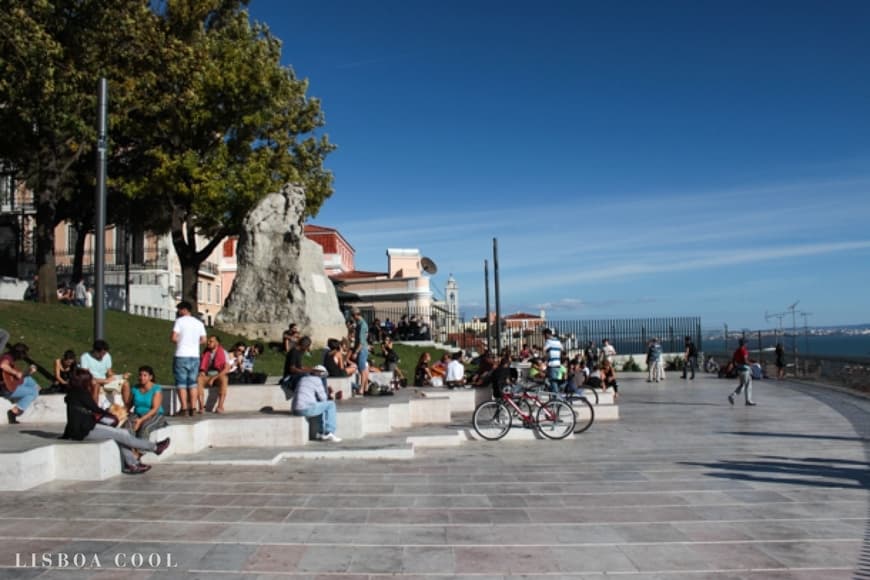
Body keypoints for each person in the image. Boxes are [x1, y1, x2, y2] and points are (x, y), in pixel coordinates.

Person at [62, 369, 170, 474]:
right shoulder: (82, 394)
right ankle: (154, 448)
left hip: (85, 427)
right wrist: (112, 415)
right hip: (84, 431)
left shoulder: (73, 393)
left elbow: (72, 416)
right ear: (84, 381)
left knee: (122, 433)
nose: (92, 381)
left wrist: (66, 434)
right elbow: (95, 408)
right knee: (121, 435)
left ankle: (132, 464)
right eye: (90, 379)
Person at [171, 300, 206, 417]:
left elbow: (174, 337)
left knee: (181, 383)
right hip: (194, 356)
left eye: (179, 310)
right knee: (192, 383)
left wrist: (181, 341)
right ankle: (193, 408)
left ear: (184, 310)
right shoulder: (199, 323)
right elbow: (204, 340)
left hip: (181, 354)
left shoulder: (179, 322)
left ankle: (184, 408)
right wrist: (194, 343)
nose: (179, 312)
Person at [291, 365, 342, 442]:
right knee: (331, 404)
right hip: (305, 409)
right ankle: (329, 432)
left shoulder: (303, 379)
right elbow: (323, 398)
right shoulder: (317, 380)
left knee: (319, 406)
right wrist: (330, 395)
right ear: (322, 374)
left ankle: (321, 432)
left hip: (295, 409)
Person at [1, 342, 41, 424]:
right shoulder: (7, 357)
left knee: (29, 379)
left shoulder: (10, 357)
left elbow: (20, 376)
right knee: (33, 392)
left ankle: (39, 389)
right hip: (6, 389)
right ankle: (13, 412)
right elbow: (2, 365)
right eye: (23, 354)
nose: (24, 356)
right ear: (18, 353)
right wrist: (15, 373)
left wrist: (29, 372)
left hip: (9, 383)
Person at [79, 339, 127, 407]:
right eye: (101, 354)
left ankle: (126, 408)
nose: (102, 356)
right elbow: (86, 377)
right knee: (95, 384)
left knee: (125, 383)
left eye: (104, 354)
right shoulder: (85, 357)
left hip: (105, 381)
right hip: (92, 381)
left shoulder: (107, 356)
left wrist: (120, 376)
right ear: (95, 351)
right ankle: (94, 409)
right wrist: (104, 381)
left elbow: (109, 373)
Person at [125, 365, 168, 439]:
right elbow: (129, 405)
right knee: (128, 427)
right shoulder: (135, 388)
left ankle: (142, 449)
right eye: (140, 375)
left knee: (145, 428)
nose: (142, 377)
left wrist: (141, 420)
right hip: (137, 414)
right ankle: (132, 449)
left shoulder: (156, 389)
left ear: (150, 377)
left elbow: (155, 409)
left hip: (154, 415)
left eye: (145, 375)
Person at [197, 335, 230, 413]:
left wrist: (214, 378)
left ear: (217, 343)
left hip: (218, 375)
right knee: (199, 379)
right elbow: (201, 366)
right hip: (207, 376)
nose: (208, 343)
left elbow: (226, 369)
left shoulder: (224, 352)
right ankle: (201, 407)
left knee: (224, 379)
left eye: (211, 341)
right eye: (208, 341)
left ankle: (220, 406)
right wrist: (202, 372)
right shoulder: (205, 352)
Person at [728, 338, 756, 406]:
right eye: (746, 343)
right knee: (744, 385)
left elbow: (733, 360)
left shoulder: (737, 351)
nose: (747, 344)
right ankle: (733, 396)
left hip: (740, 370)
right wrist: (752, 364)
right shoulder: (744, 350)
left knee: (745, 384)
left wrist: (735, 367)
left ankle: (748, 400)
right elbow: (745, 361)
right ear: (744, 343)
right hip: (745, 369)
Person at [351, 308, 370, 396]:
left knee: (362, 369)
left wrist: (355, 352)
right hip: (363, 349)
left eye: (352, 315)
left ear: (356, 315)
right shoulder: (360, 324)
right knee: (365, 369)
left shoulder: (362, 325)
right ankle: (365, 387)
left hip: (361, 349)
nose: (352, 318)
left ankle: (362, 388)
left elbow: (362, 342)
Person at [542, 328, 563, 393]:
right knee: (554, 382)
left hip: (552, 365)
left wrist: (545, 359)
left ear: (547, 334)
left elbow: (544, 350)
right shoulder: (558, 341)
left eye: (544, 335)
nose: (544, 337)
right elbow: (562, 349)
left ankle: (557, 400)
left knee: (553, 383)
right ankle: (553, 400)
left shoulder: (548, 341)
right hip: (558, 364)